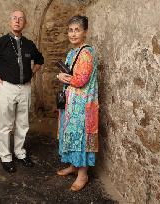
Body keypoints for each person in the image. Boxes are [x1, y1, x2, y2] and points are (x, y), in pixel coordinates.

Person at [0, 10, 44, 173]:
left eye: (21, 19)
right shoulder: (0, 43)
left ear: (25, 24)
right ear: (9, 22)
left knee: (23, 124)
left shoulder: (29, 44)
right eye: (14, 18)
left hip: (24, 88)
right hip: (7, 87)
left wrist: (31, 73)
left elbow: (40, 60)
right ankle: (6, 157)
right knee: (6, 125)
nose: (17, 21)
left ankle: (20, 153)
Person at [56, 15, 98, 191]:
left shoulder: (87, 53)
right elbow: (67, 75)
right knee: (70, 135)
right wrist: (60, 76)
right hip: (70, 104)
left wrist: (62, 77)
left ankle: (83, 174)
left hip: (83, 106)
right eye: (71, 30)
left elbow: (81, 80)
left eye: (77, 30)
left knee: (81, 138)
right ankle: (73, 166)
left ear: (85, 32)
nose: (73, 34)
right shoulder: (71, 52)